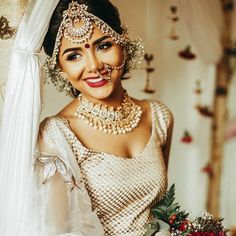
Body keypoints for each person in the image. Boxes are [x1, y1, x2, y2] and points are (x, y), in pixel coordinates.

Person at [0, 0, 173, 235]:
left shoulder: (159, 117)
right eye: (73, 56)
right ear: (59, 67)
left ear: (122, 42)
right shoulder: (56, 135)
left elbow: (160, 211)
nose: (93, 66)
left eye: (103, 46)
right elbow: (60, 231)